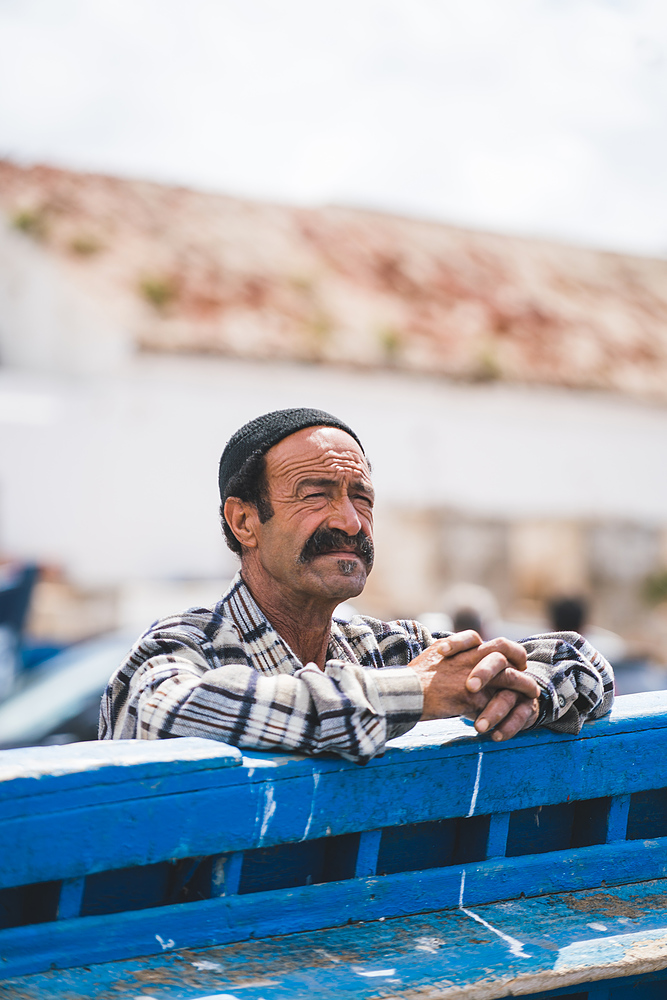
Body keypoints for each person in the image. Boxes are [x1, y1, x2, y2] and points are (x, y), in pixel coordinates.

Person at [100, 408, 614, 762]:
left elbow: (583, 662)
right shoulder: (181, 648)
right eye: (316, 494)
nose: (349, 520)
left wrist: (521, 693)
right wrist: (414, 692)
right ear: (244, 522)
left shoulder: (381, 648)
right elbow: (172, 712)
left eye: (361, 497)